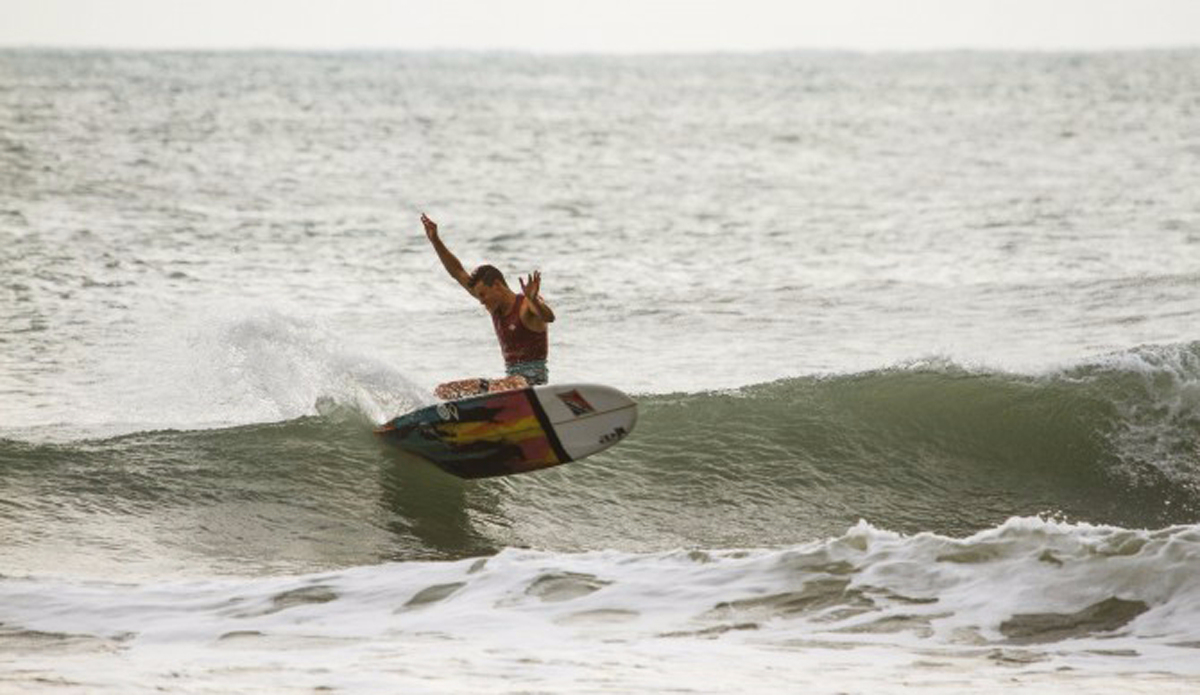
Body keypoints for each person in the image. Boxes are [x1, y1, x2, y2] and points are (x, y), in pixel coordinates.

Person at [421, 213, 555, 400]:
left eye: (483, 295)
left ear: (498, 286)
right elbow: (457, 272)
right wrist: (435, 240)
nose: (481, 301)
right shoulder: (494, 306)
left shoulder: (526, 305)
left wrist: (533, 299)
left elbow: (549, 317)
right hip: (505, 385)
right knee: (443, 391)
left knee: (514, 383)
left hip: (532, 385)